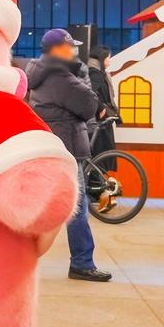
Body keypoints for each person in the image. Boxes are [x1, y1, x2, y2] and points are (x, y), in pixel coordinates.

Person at [26, 28, 112, 282]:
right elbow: (88, 105)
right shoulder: (59, 75)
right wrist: (82, 75)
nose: (74, 50)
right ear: (57, 50)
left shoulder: (42, 72)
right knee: (76, 205)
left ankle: (18, 255)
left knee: (43, 203)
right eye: (69, 47)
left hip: (53, 144)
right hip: (66, 147)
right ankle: (82, 262)